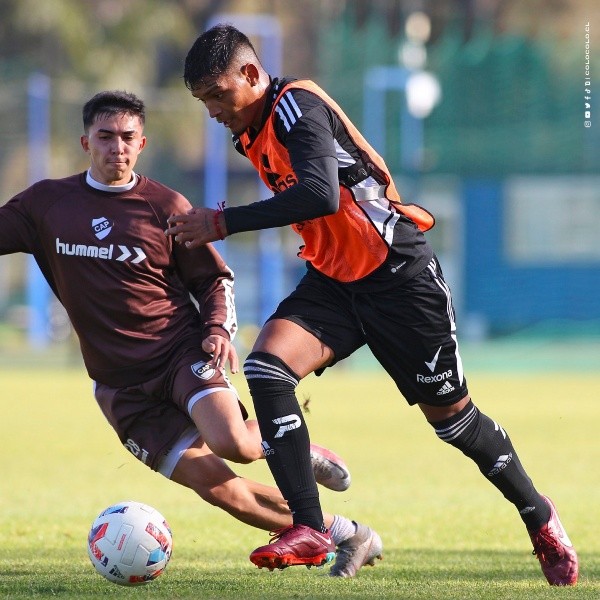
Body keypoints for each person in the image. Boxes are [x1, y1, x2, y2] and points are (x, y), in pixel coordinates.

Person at [165, 24, 579, 586]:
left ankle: (537, 514)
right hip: (335, 282)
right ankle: (309, 528)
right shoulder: (252, 131)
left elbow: (320, 194)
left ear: (252, 74)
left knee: (455, 423)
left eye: (218, 94)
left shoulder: (295, 109)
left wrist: (222, 221)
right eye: (203, 101)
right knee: (266, 370)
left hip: (399, 278)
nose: (213, 110)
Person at [0, 90, 383, 578]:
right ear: (85, 142)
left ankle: (291, 444)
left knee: (235, 445)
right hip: (120, 388)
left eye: (127, 137)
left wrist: (218, 328)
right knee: (223, 491)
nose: (117, 147)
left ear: (142, 144)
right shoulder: (46, 204)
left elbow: (213, 278)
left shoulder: (165, 205)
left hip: (179, 355)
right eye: (106, 136)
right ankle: (348, 533)